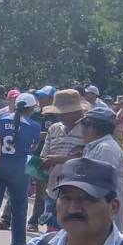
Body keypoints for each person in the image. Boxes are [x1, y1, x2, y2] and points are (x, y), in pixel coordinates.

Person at [0, 93, 43, 245]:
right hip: (19, 168)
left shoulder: (0, 119)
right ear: (31, 108)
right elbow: (33, 148)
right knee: (19, 207)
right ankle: (18, 243)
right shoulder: (34, 126)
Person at [40, 90, 88, 232]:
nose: (57, 115)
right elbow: (45, 155)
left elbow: (90, 160)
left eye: (61, 112)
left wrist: (60, 159)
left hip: (78, 193)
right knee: (51, 235)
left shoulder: (88, 130)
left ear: (74, 111)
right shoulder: (54, 129)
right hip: (53, 189)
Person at [80, 106, 123, 230]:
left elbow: (99, 186)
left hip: (102, 217)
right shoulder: (95, 147)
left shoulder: (105, 149)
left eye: (83, 126)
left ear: (90, 128)